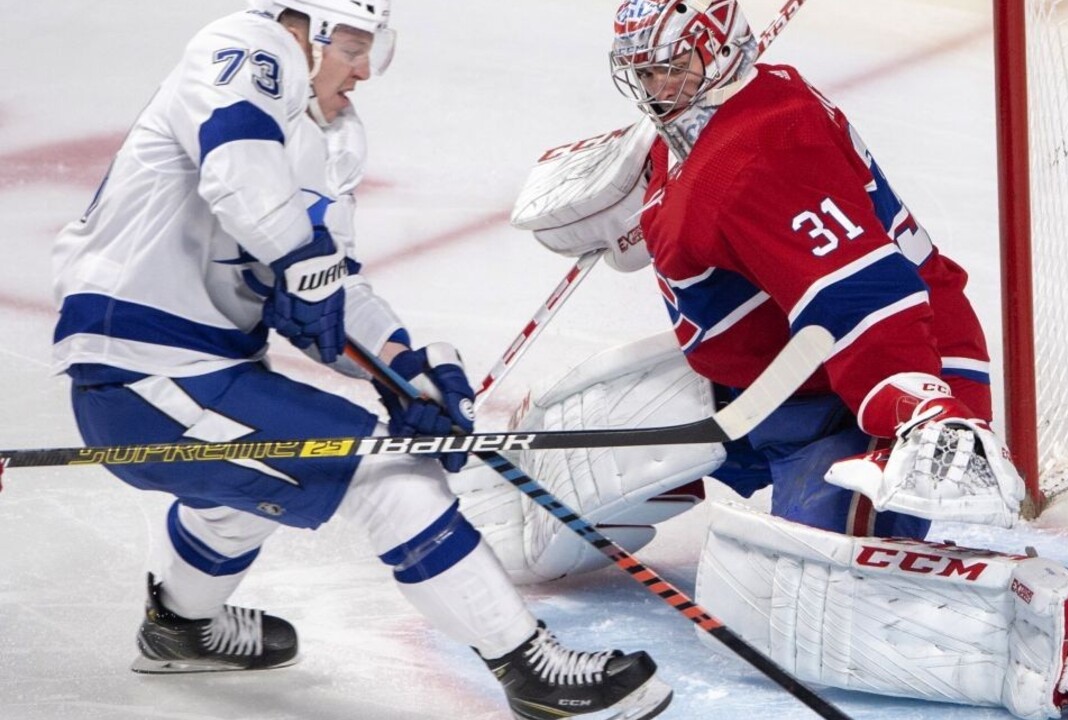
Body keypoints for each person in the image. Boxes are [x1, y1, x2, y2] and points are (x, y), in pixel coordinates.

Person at [458, 2, 1068, 718]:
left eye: (672, 67)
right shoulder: (704, 122)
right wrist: (638, 182)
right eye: (642, 70)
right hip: (771, 384)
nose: (656, 87)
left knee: (801, 603)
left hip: (884, 383)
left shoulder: (766, 155)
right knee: (537, 504)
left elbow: (863, 300)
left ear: (722, 50)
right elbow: (694, 192)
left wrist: (923, 411)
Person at [49, 2, 673, 718]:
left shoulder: (334, 136)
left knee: (253, 485)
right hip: (140, 371)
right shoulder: (245, 46)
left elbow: (332, 288)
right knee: (388, 477)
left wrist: (411, 371)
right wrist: (299, 265)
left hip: (202, 373)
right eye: (350, 43)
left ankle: (180, 627)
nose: (365, 67)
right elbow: (238, 175)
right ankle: (534, 671)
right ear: (301, 27)